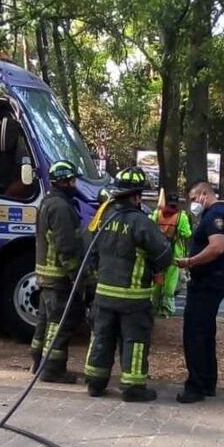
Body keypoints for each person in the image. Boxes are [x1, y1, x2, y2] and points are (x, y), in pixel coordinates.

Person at [84, 167, 173, 402]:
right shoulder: (141, 223)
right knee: (134, 340)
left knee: (101, 338)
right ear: (136, 196)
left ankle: (95, 382)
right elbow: (164, 255)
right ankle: (133, 388)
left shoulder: (103, 218)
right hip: (133, 298)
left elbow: (90, 254)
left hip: (103, 295)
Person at [175, 180, 224, 403]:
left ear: (203, 194)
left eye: (193, 199)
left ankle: (196, 386)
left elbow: (216, 247)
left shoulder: (215, 216)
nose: (193, 204)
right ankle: (207, 381)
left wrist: (190, 261)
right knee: (204, 333)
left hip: (208, 281)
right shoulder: (213, 214)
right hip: (208, 280)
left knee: (195, 333)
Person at [31, 160, 84, 383]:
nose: (75, 184)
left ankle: (37, 361)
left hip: (46, 276)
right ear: (64, 182)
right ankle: (52, 369)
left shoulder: (47, 202)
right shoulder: (61, 208)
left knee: (44, 321)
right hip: (58, 276)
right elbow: (66, 247)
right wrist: (77, 277)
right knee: (59, 323)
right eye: (72, 180)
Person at [150, 191, 192, 318]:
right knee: (170, 285)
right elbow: (187, 233)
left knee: (157, 282)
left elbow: (149, 229)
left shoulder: (156, 214)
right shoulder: (181, 217)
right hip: (174, 255)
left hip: (157, 254)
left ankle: (153, 308)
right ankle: (166, 310)